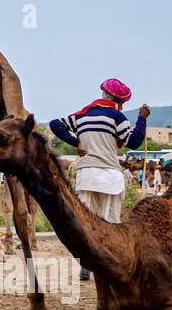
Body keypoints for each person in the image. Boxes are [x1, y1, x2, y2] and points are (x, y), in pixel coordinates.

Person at [49, 78, 149, 225]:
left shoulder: (82, 115)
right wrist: (142, 118)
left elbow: (55, 124)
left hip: (86, 176)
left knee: (86, 224)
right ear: (118, 101)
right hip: (110, 178)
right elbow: (133, 142)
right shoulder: (117, 117)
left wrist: (77, 142)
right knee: (111, 225)